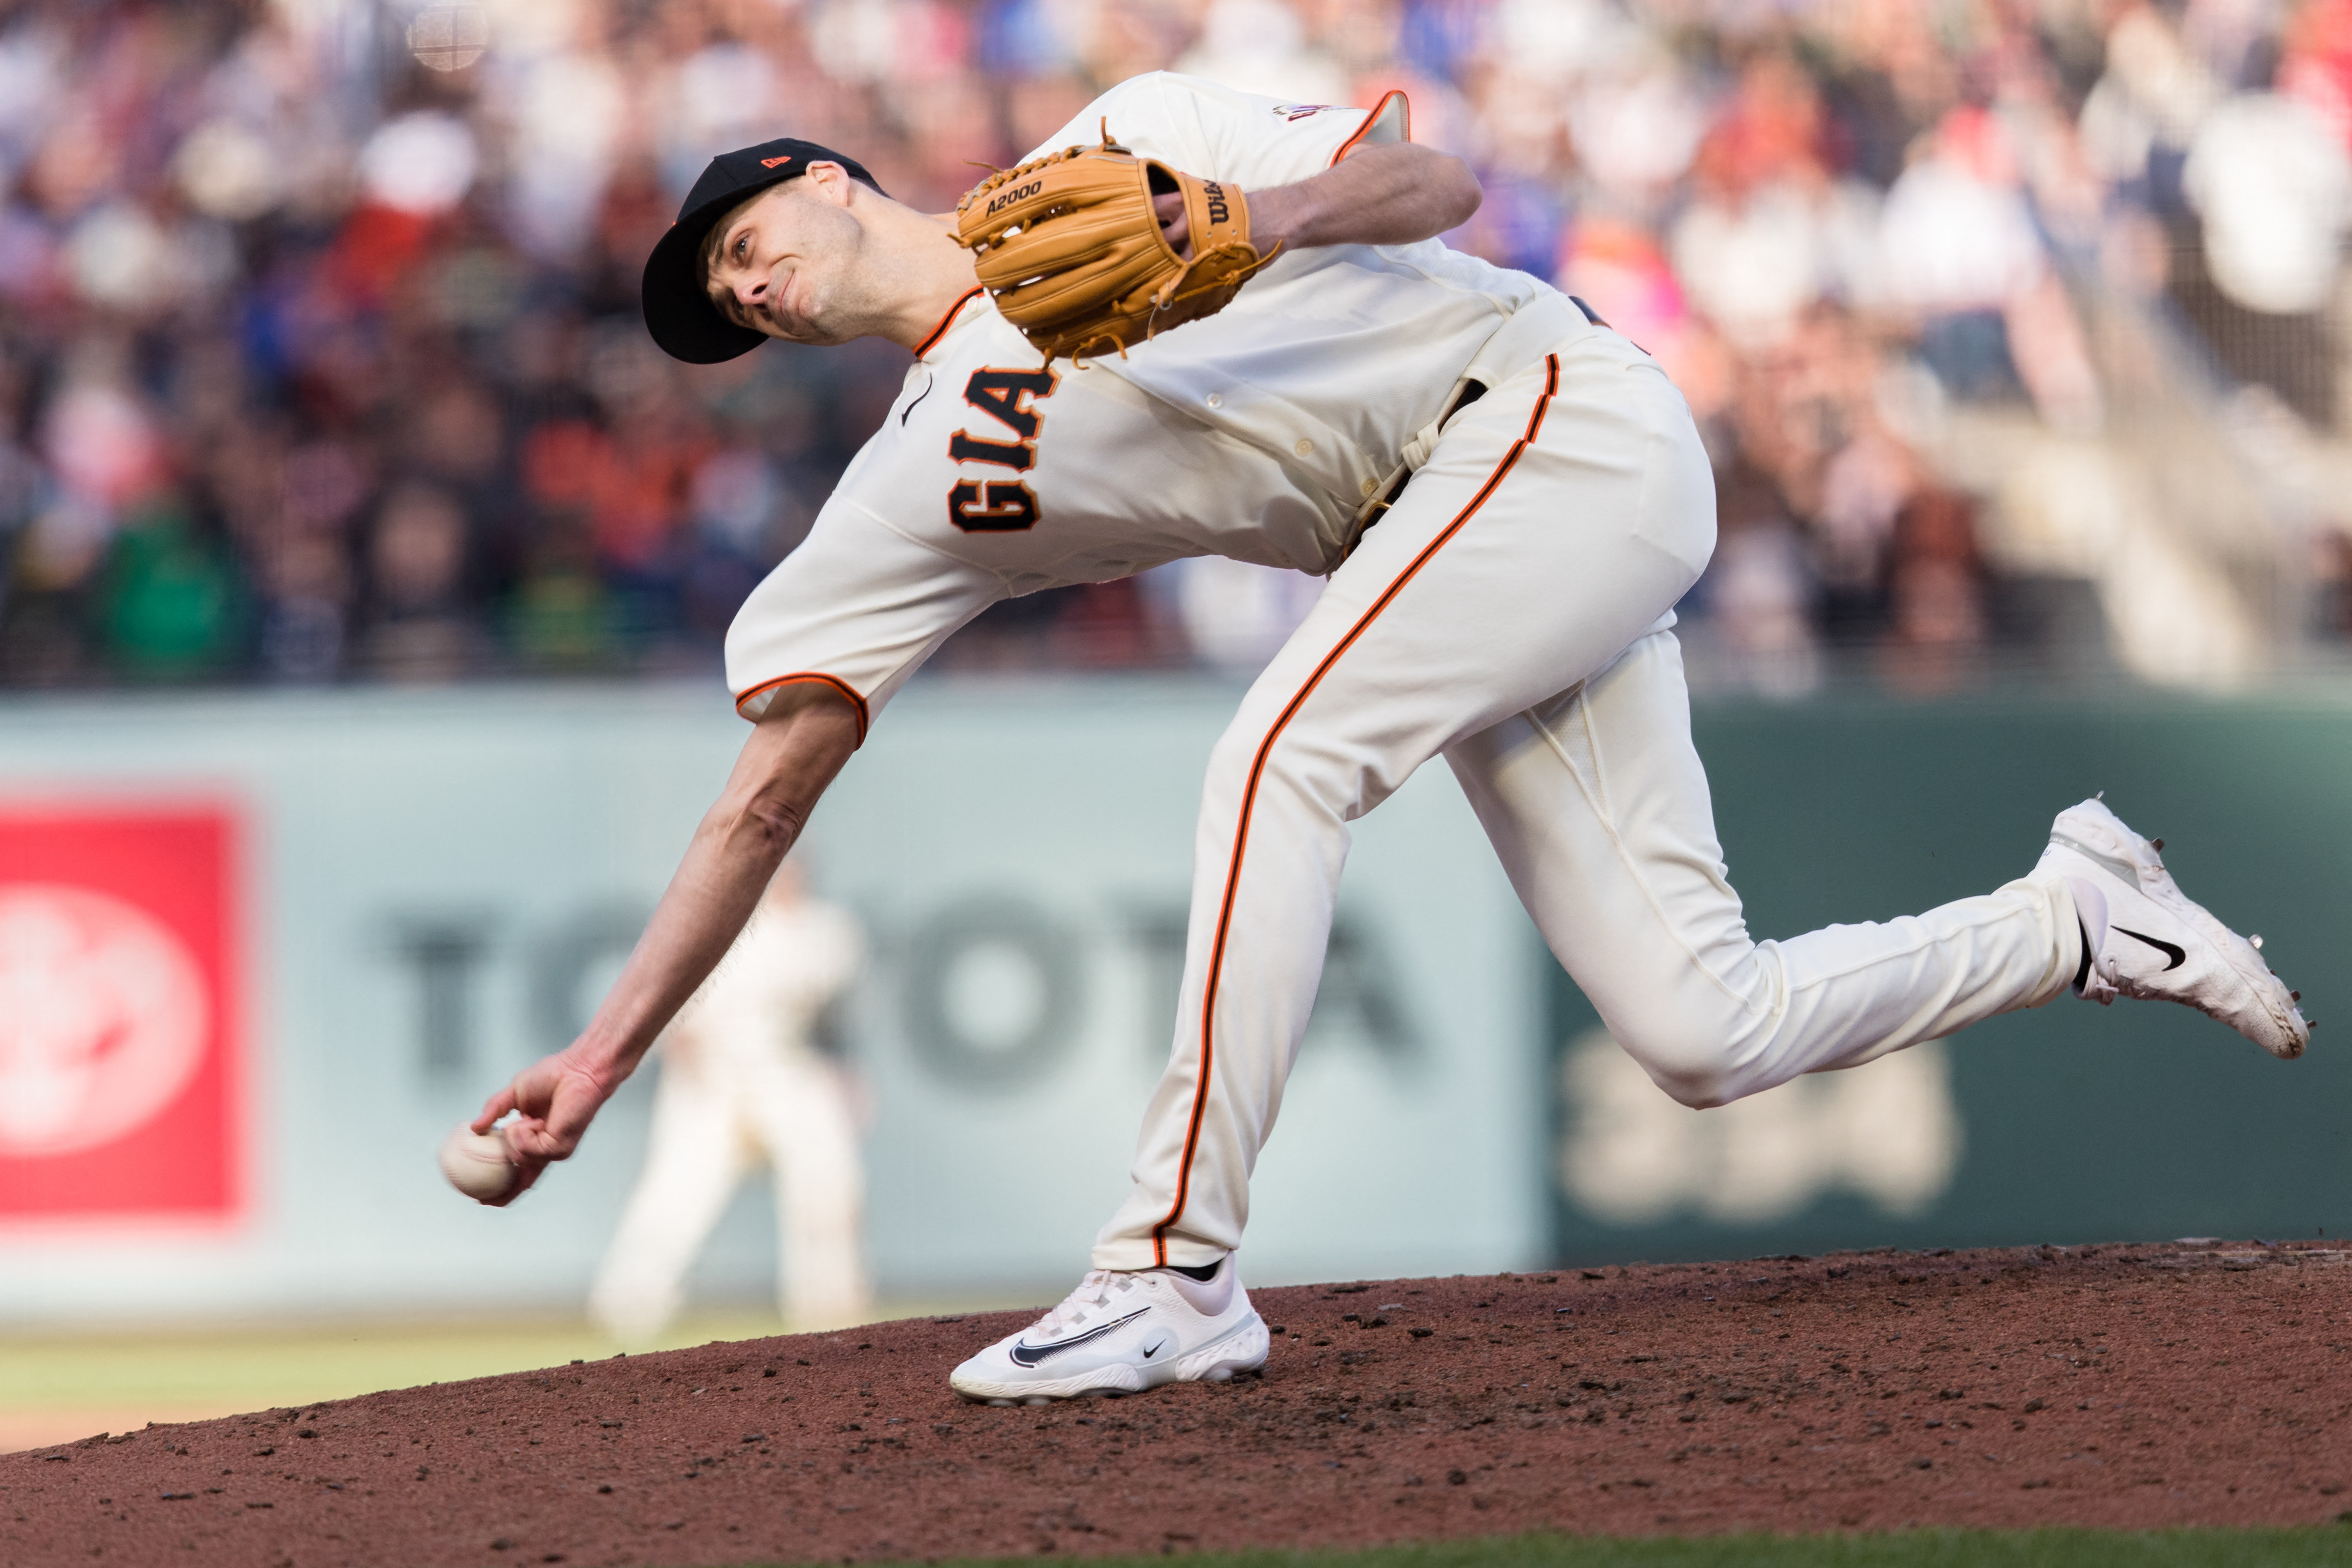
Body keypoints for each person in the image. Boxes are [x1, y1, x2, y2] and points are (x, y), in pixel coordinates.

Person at [470, 72, 2308, 1408]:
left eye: (740, 237)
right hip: (1465, 555)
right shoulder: (905, 495)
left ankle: (1171, 1270)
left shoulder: (1122, 134)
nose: (746, 285)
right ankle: (2073, 917)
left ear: (811, 167)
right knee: (1699, 1026)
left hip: (1546, 411)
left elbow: (1429, 179)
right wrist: (607, 1053)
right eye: (721, 302)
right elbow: (765, 788)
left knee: (1277, 748)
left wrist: (1241, 218)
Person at [586, 861, 868, 1342]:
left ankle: (830, 1311)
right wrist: (679, 1043)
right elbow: (664, 1001)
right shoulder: (715, 924)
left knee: (828, 1188)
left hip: (788, 1068)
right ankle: (630, 1303)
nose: (786, 873)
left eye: (795, 863)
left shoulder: (828, 930)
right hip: (713, 1074)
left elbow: (833, 1018)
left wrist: (847, 1069)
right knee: (677, 1194)